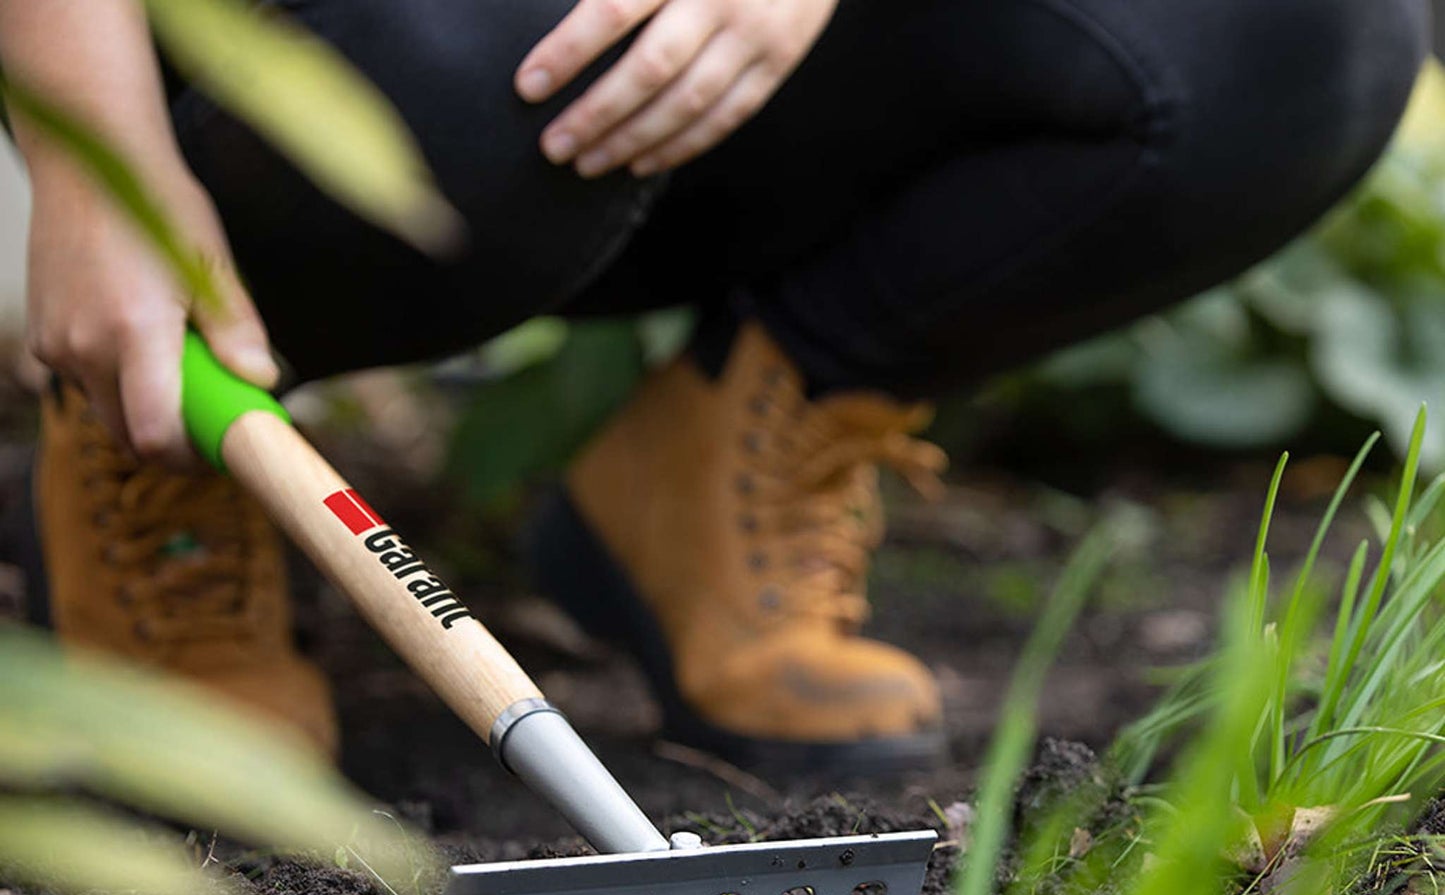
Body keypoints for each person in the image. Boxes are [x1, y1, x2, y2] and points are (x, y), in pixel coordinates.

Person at [0, 0, 1430, 774]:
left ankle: (710, 463)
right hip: (365, 68)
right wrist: (88, 158)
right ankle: (163, 412)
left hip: (740, 58)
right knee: (503, 58)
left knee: (1308, 34)